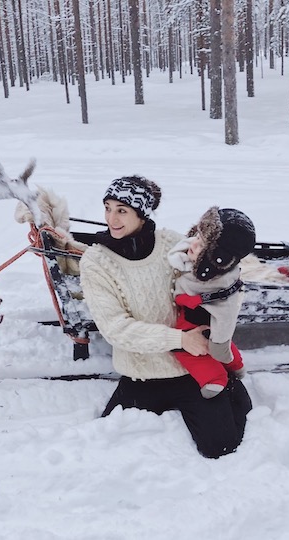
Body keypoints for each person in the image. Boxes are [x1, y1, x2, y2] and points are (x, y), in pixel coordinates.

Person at [79, 176, 252, 459]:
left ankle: (229, 383)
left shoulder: (172, 244)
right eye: (108, 208)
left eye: (122, 210)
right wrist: (179, 339)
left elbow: (216, 280)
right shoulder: (97, 261)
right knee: (109, 449)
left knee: (221, 447)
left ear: (142, 213)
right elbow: (115, 328)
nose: (112, 218)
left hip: (192, 370)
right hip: (142, 375)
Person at [167, 207, 256, 399]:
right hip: (194, 310)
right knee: (219, 341)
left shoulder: (217, 282)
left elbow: (226, 318)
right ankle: (236, 366)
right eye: (198, 234)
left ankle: (215, 379)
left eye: (203, 244)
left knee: (191, 350)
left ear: (217, 257)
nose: (195, 242)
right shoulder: (200, 259)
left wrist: (220, 346)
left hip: (194, 317)